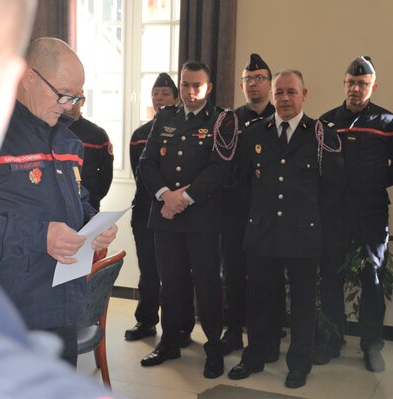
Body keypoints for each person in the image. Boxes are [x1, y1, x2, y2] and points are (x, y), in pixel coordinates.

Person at [0, 37, 118, 368]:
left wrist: (94, 225)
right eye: (63, 94)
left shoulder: (68, 141)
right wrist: (40, 236)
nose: (69, 105)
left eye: (76, 96)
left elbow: (77, 200)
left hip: (62, 305)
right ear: (28, 76)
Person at [228, 69, 343, 388]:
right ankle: (257, 355)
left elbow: (332, 189)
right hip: (263, 231)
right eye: (279, 92)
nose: (285, 98)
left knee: (304, 304)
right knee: (260, 300)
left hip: (303, 233)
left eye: (291, 92)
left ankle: (299, 363)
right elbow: (243, 182)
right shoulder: (253, 133)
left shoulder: (320, 134)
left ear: (304, 94)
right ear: (272, 95)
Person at [139, 61, 238, 378]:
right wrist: (166, 195)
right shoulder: (165, 118)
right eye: (185, 85)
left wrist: (183, 198)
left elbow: (219, 169)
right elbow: (146, 164)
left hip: (203, 219)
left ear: (209, 87)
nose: (190, 92)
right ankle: (170, 341)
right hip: (165, 217)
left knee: (208, 285)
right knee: (171, 283)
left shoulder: (222, 120)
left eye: (197, 85)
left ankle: (213, 347)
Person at [315, 56, 393, 372]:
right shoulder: (326, 122)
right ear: (344, 84)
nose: (356, 88)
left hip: (369, 219)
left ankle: (371, 345)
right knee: (332, 276)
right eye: (351, 82)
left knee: (369, 276)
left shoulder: (388, 124)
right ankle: (333, 340)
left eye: (362, 83)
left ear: (373, 86)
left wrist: (374, 182)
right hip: (334, 217)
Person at [221, 53, 284, 357]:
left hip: (268, 213)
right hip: (234, 212)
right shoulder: (230, 120)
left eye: (259, 78)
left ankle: (266, 339)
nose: (253, 84)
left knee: (266, 280)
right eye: (248, 79)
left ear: (270, 84)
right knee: (232, 275)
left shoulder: (280, 118)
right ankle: (232, 332)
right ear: (241, 84)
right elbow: (222, 166)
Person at [126, 73, 195, 346]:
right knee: (149, 270)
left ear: (176, 99)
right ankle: (146, 320)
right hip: (145, 211)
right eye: (156, 93)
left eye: (166, 93)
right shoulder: (140, 135)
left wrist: (173, 200)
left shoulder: (185, 129)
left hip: (179, 213)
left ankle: (181, 327)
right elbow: (141, 174)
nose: (160, 98)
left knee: (179, 273)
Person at [66, 93, 114, 211]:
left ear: (83, 101)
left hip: (89, 204)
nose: (71, 104)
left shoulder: (97, 134)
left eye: (75, 99)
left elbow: (106, 173)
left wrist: (95, 195)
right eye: (67, 99)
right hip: (58, 205)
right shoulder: (50, 131)